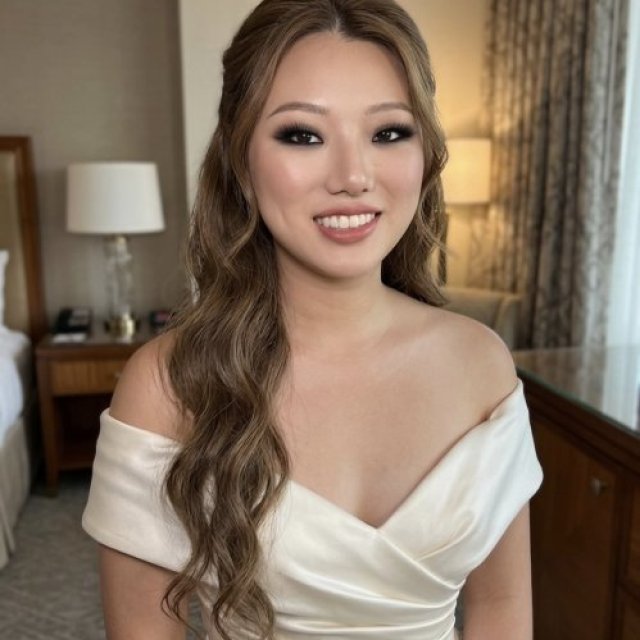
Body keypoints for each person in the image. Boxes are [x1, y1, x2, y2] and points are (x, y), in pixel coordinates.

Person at [82, 1, 543, 638]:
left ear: (425, 154)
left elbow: (501, 607)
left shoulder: (481, 365)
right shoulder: (167, 384)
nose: (353, 176)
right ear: (241, 161)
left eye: (389, 133)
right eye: (302, 135)